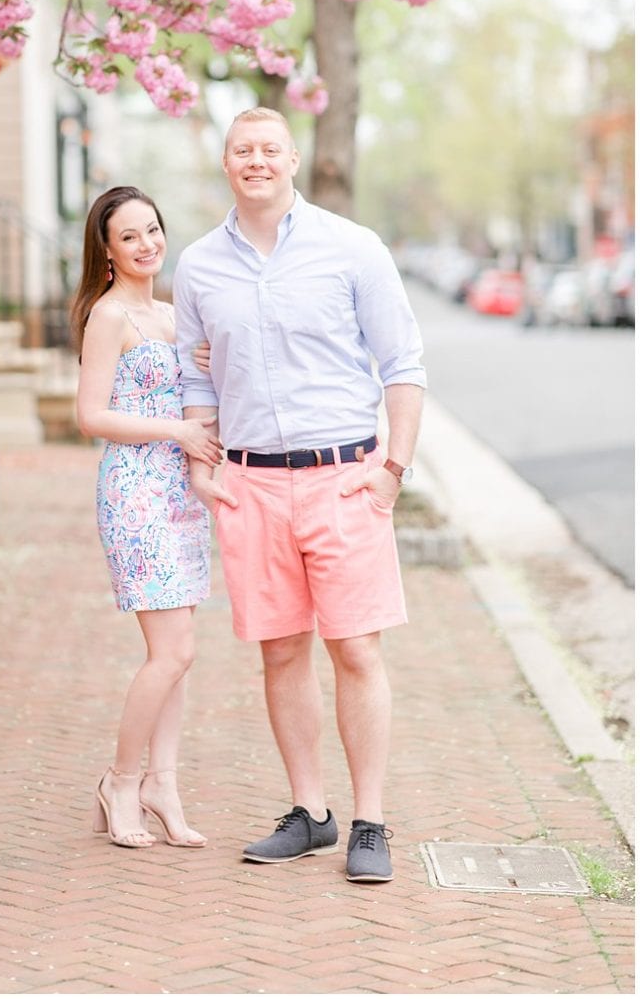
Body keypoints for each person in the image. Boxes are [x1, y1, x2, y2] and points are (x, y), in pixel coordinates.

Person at [173, 107, 425, 885]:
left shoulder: (353, 248)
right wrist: (202, 461)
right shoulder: (197, 266)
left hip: (344, 479)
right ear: (226, 162)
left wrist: (392, 471)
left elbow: (403, 364)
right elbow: (193, 373)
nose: (257, 161)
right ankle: (310, 811)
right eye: (242, 149)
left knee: (355, 647)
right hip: (252, 483)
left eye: (269, 149)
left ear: (291, 159)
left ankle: (370, 820)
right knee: (281, 650)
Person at [71, 186, 222, 850]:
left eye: (152, 229)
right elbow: (91, 415)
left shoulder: (170, 314)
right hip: (135, 491)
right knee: (173, 651)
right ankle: (121, 780)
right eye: (129, 235)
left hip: (182, 493)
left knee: (178, 655)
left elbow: (198, 396)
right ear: (106, 249)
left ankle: (163, 782)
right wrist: (176, 432)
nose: (146, 243)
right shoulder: (109, 317)